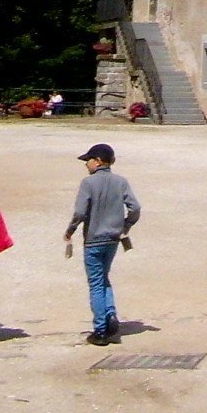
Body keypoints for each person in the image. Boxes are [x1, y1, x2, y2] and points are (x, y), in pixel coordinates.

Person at [63, 142, 139, 346]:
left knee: (96, 283)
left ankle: (100, 330)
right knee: (104, 278)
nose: (86, 165)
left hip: (94, 240)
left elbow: (80, 212)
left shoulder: (88, 183)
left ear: (97, 161)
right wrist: (126, 226)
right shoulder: (121, 182)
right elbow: (135, 207)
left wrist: (70, 230)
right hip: (113, 239)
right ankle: (110, 315)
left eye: (88, 160)